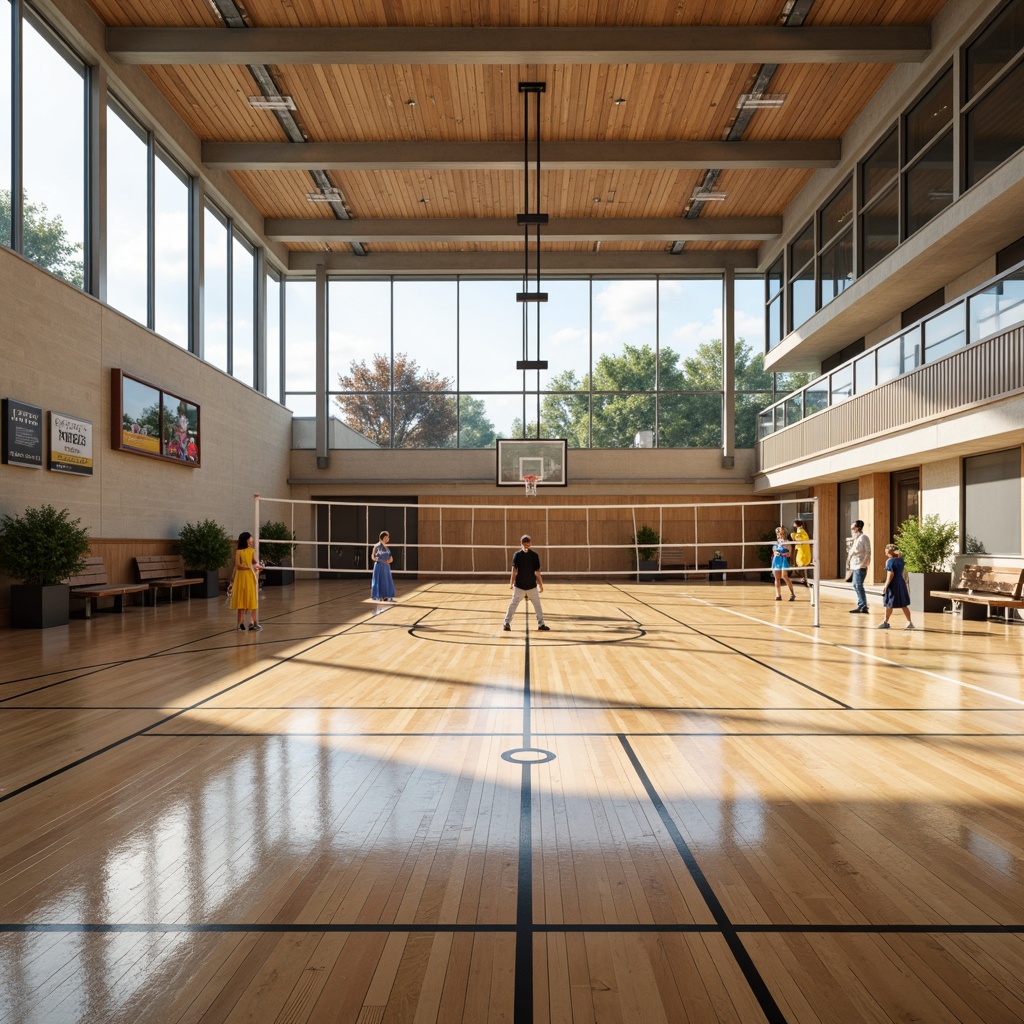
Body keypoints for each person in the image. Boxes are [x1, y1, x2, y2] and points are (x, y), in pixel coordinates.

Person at [503, 535, 549, 632]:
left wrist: (540, 585)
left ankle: (541, 624)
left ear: (530, 543)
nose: (526, 544)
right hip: (519, 586)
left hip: (531, 586)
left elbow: (537, 572)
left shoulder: (534, 556)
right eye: (525, 542)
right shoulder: (517, 555)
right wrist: (511, 583)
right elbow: (514, 570)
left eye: (527, 541)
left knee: (537, 605)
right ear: (522, 543)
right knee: (513, 604)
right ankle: (506, 623)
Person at [230, 531, 263, 631]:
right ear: (246, 540)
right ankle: (240, 623)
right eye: (250, 538)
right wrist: (248, 567)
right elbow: (238, 565)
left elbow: (254, 563)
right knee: (242, 600)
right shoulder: (239, 552)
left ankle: (253, 623)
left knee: (251, 599)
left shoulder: (252, 551)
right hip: (241, 577)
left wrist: (258, 567)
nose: (252, 540)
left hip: (250, 576)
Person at [879, 543, 914, 630]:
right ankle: (909, 622)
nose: (885, 552)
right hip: (900, 583)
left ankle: (885, 622)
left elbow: (890, 574)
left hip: (893, 584)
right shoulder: (900, 560)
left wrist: (885, 586)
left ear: (890, 551)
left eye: (886, 550)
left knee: (888, 603)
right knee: (903, 604)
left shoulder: (889, 561)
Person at [846, 519, 872, 614]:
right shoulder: (856, 538)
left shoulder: (863, 538)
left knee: (858, 585)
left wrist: (863, 564)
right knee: (856, 585)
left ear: (858, 528)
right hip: (855, 566)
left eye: (853, 528)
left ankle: (863, 606)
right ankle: (861, 605)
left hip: (860, 565)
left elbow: (868, 552)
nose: (852, 530)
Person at [771, 526, 796, 601]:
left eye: (781, 533)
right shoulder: (776, 542)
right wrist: (776, 552)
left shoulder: (787, 542)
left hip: (784, 560)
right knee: (777, 578)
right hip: (777, 560)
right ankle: (778, 595)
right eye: (778, 533)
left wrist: (783, 553)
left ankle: (792, 593)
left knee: (784, 576)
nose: (780, 535)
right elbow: (774, 551)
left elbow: (789, 553)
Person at [371, 530, 395, 601]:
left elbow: (391, 557)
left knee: (386, 581)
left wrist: (389, 560)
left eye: (388, 537)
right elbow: (373, 555)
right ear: (382, 538)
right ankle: (379, 595)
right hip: (379, 565)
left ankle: (386, 595)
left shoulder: (387, 547)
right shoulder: (376, 546)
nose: (387, 539)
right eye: (386, 537)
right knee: (378, 580)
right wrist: (375, 559)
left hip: (386, 566)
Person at [791, 519, 811, 586]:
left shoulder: (801, 531)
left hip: (801, 551)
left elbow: (799, 539)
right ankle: (805, 580)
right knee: (802, 567)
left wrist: (793, 536)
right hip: (801, 550)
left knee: (801, 566)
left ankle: (805, 580)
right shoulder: (800, 531)